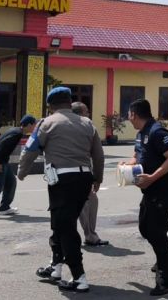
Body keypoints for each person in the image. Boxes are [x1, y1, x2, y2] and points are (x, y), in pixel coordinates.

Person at [18, 87, 105, 293]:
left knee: (65, 227)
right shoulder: (87, 123)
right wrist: (97, 179)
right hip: (84, 179)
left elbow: (30, 150)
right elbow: (98, 155)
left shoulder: (46, 123)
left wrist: (21, 172)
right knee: (59, 222)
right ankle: (55, 267)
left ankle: (79, 277)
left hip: (62, 181)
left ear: (50, 106)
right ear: (69, 102)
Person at [121, 98, 168, 296]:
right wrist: (127, 165)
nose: (128, 118)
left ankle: (166, 279)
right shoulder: (141, 134)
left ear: (134, 114)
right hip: (150, 190)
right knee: (145, 227)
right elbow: (137, 156)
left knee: (156, 231)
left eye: (129, 114)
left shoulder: (157, 132)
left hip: (164, 189)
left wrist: (152, 178)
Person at [71, 102, 109, 246]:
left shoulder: (55, 124)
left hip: (57, 173)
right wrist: (98, 178)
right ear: (81, 113)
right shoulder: (88, 126)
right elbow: (98, 156)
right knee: (87, 202)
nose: (88, 114)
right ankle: (90, 235)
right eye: (86, 111)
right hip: (81, 172)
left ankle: (62, 240)